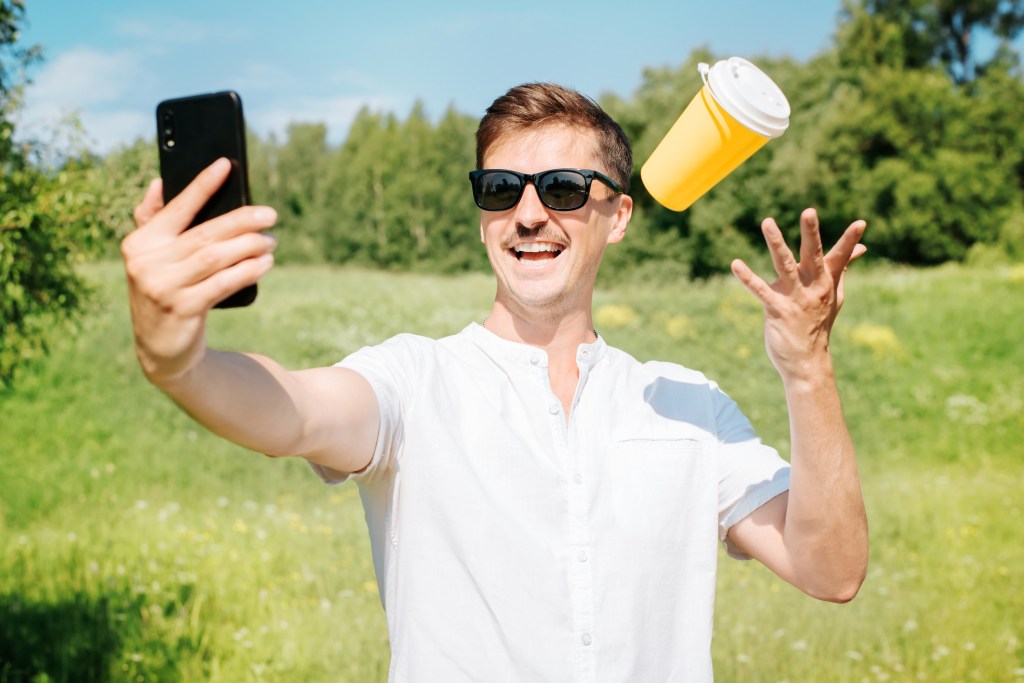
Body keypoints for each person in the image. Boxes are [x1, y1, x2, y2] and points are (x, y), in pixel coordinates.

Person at [123, 82, 868, 682]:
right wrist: (174, 358)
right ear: (482, 214)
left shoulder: (688, 403)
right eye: (502, 187)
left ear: (619, 215)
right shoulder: (414, 381)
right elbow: (292, 412)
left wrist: (808, 371)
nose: (530, 213)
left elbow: (831, 571)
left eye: (567, 188)